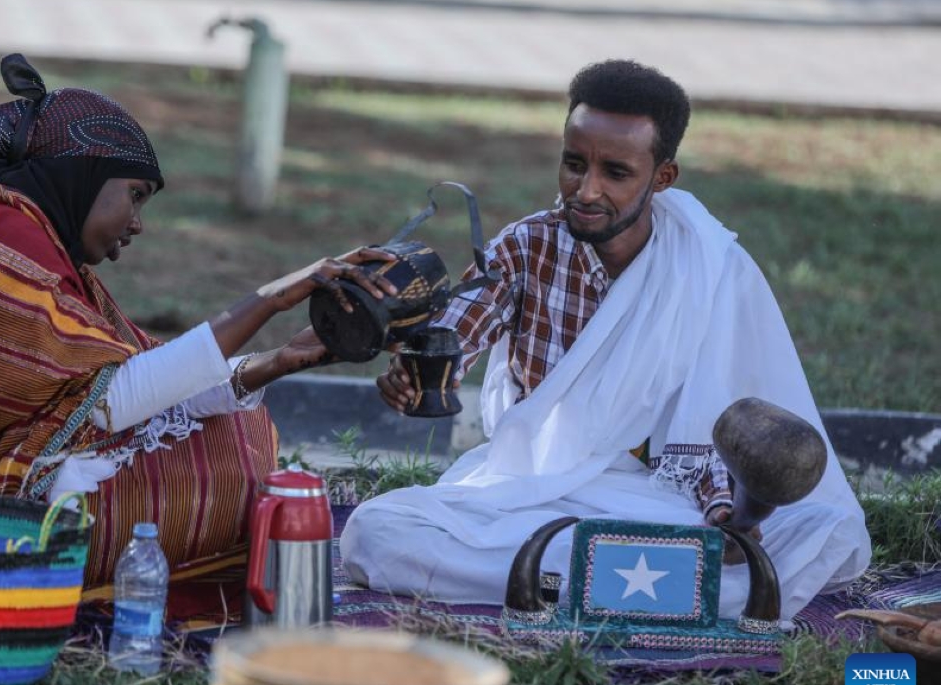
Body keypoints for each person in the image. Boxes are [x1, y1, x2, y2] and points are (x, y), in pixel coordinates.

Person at [0, 55, 396, 619]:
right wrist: (273, 296)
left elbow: (104, 399)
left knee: (236, 434)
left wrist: (276, 362)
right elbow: (107, 405)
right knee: (230, 461)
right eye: (134, 195)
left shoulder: (33, 246)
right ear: (83, 174)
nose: (136, 223)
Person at [340, 59, 870, 621]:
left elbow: (720, 418)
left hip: (665, 501)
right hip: (531, 489)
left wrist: (727, 516)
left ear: (662, 178)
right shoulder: (527, 245)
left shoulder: (712, 267)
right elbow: (456, 332)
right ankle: (654, 590)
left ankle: (555, 580)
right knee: (377, 532)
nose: (585, 190)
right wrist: (416, 366)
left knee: (821, 529)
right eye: (574, 164)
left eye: (615, 173)